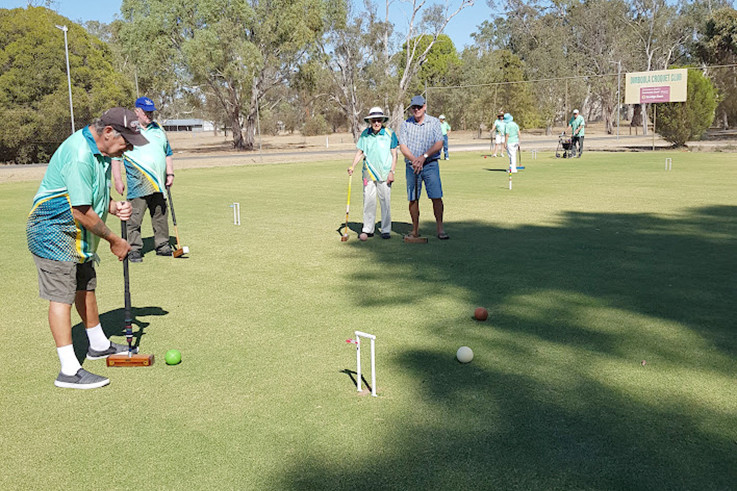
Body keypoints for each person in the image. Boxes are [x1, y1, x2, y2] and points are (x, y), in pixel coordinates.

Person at [26, 108, 147, 389]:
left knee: (86, 286)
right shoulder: (81, 154)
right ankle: (68, 371)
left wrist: (114, 207)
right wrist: (115, 241)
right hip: (53, 232)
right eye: (126, 141)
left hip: (77, 234)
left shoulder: (100, 152)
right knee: (62, 296)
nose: (128, 148)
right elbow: (80, 210)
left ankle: (98, 345)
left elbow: (90, 199)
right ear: (107, 133)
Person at [112, 97, 175, 263]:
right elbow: (116, 157)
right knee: (134, 217)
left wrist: (170, 174)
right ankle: (133, 248)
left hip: (159, 182)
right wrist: (118, 179)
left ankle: (162, 245)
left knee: (160, 214)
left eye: (151, 112)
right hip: (137, 182)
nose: (149, 115)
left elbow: (167, 153)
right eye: (146, 112)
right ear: (137, 111)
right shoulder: (128, 130)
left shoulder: (159, 129)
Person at [399, 95, 449, 240]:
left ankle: (440, 228)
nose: (416, 110)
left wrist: (423, 157)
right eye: (414, 107)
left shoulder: (434, 122)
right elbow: (403, 146)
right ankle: (415, 230)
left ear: (425, 107)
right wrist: (415, 160)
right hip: (412, 166)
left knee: (436, 196)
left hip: (430, 164)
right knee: (413, 198)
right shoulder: (405, 124)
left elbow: (439, 143)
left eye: (419, 107)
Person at [347, 107, 398, 240]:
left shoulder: (389, 133)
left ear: (382, 120)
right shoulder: (365, 134)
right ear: (370, 121)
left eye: (379, 120)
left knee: (385, 201)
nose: (376, 123)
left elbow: (394, 154)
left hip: (385, 172)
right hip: (368, 173)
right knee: (369, 201)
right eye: (374, 120)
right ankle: (368, 229)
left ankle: (386, 229)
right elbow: (360, 152)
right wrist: (353, 166)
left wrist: (392, 171)